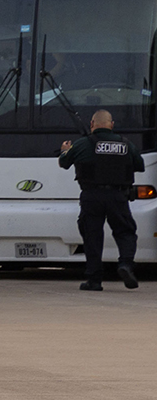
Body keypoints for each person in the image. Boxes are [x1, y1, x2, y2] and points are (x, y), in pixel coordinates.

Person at [58, 109, 144, 292]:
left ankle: (94, 280)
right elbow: (140, 165)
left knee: (92, 236)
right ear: (112, 125)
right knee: (125, 232)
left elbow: (64, 163)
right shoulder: (126, 144)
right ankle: (126, 265)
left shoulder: (82, 144)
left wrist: (64, 151)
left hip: (91, 196)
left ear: (92, 124)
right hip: (118, 196)